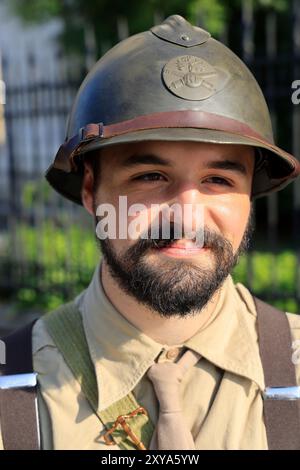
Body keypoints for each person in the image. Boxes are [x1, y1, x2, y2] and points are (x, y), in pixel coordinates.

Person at [1, 14, 300, 451]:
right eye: (150, 176)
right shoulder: (11, 394)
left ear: (249, 198)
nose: (186, 215)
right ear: (91, 190)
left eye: (218, 180)